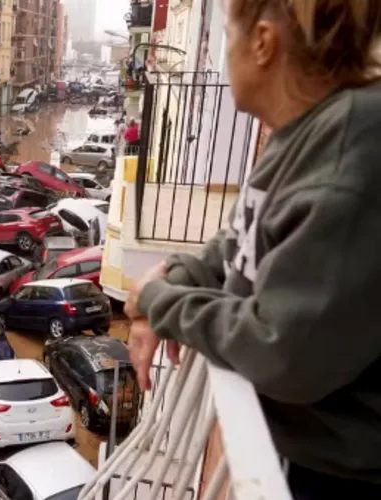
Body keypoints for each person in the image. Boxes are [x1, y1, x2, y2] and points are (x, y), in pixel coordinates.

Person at [124, 1, 381, 498]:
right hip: (306, 456)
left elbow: (282, 352)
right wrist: (176, 277)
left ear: (262, 42)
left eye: (227, 34)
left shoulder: (350, 155)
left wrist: (159, 302)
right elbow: (236, 242)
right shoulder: (305, 132)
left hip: (341, 478)